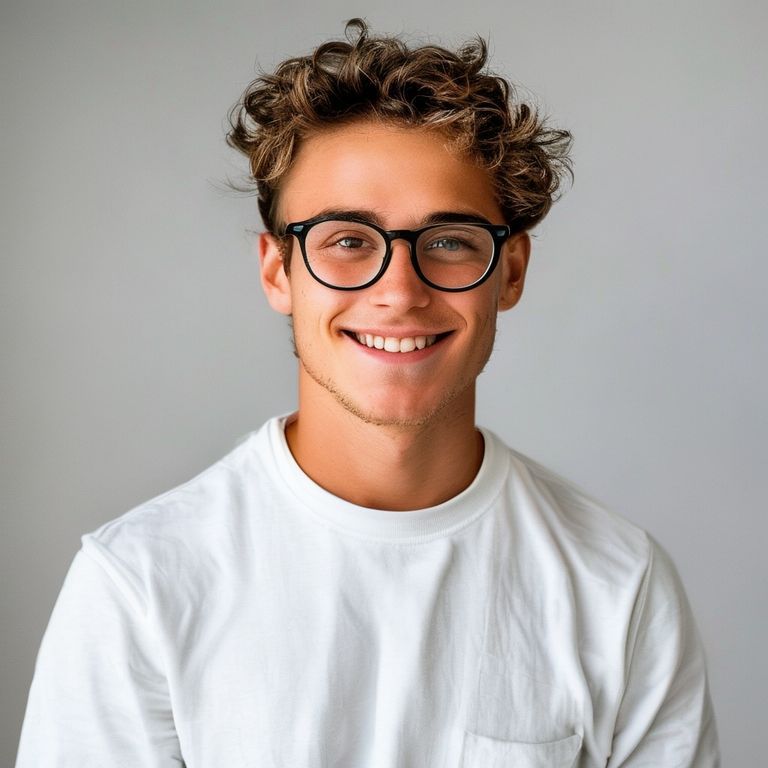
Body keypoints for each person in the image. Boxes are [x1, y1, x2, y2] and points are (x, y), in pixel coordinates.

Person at [16, 19, 719, 767]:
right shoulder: (140, 588)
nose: (398, 292)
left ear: (510, 271)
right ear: (277, 271)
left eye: (449, 241)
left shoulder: (619, 587)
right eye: (347, 240)